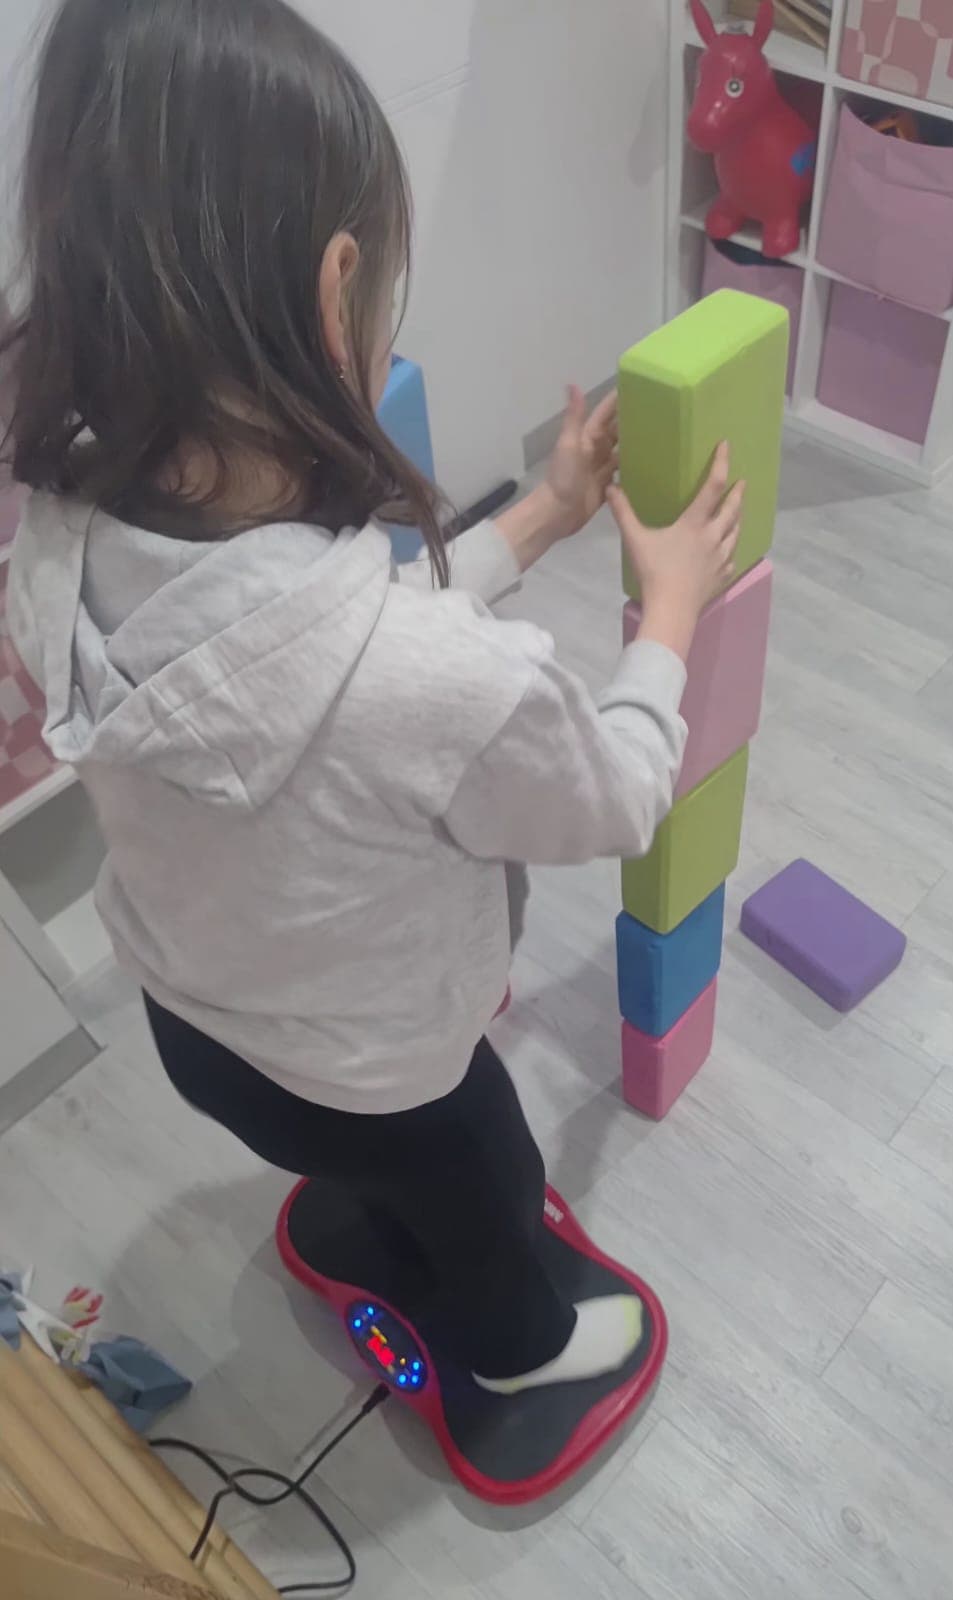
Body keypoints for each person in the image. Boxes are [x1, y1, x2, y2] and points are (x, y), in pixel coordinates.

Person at [4, 0, 741, 1395]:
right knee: (486, 1187)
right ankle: (516, 1352)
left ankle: (368, 1219)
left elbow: (327, 662)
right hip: (394, 1067)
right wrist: (676, 618)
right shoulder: (427, 682)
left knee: (361, 1161)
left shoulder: (60, 532)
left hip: (195, 1029)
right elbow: (620, 792)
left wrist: (534, 517)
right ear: (339, 287)